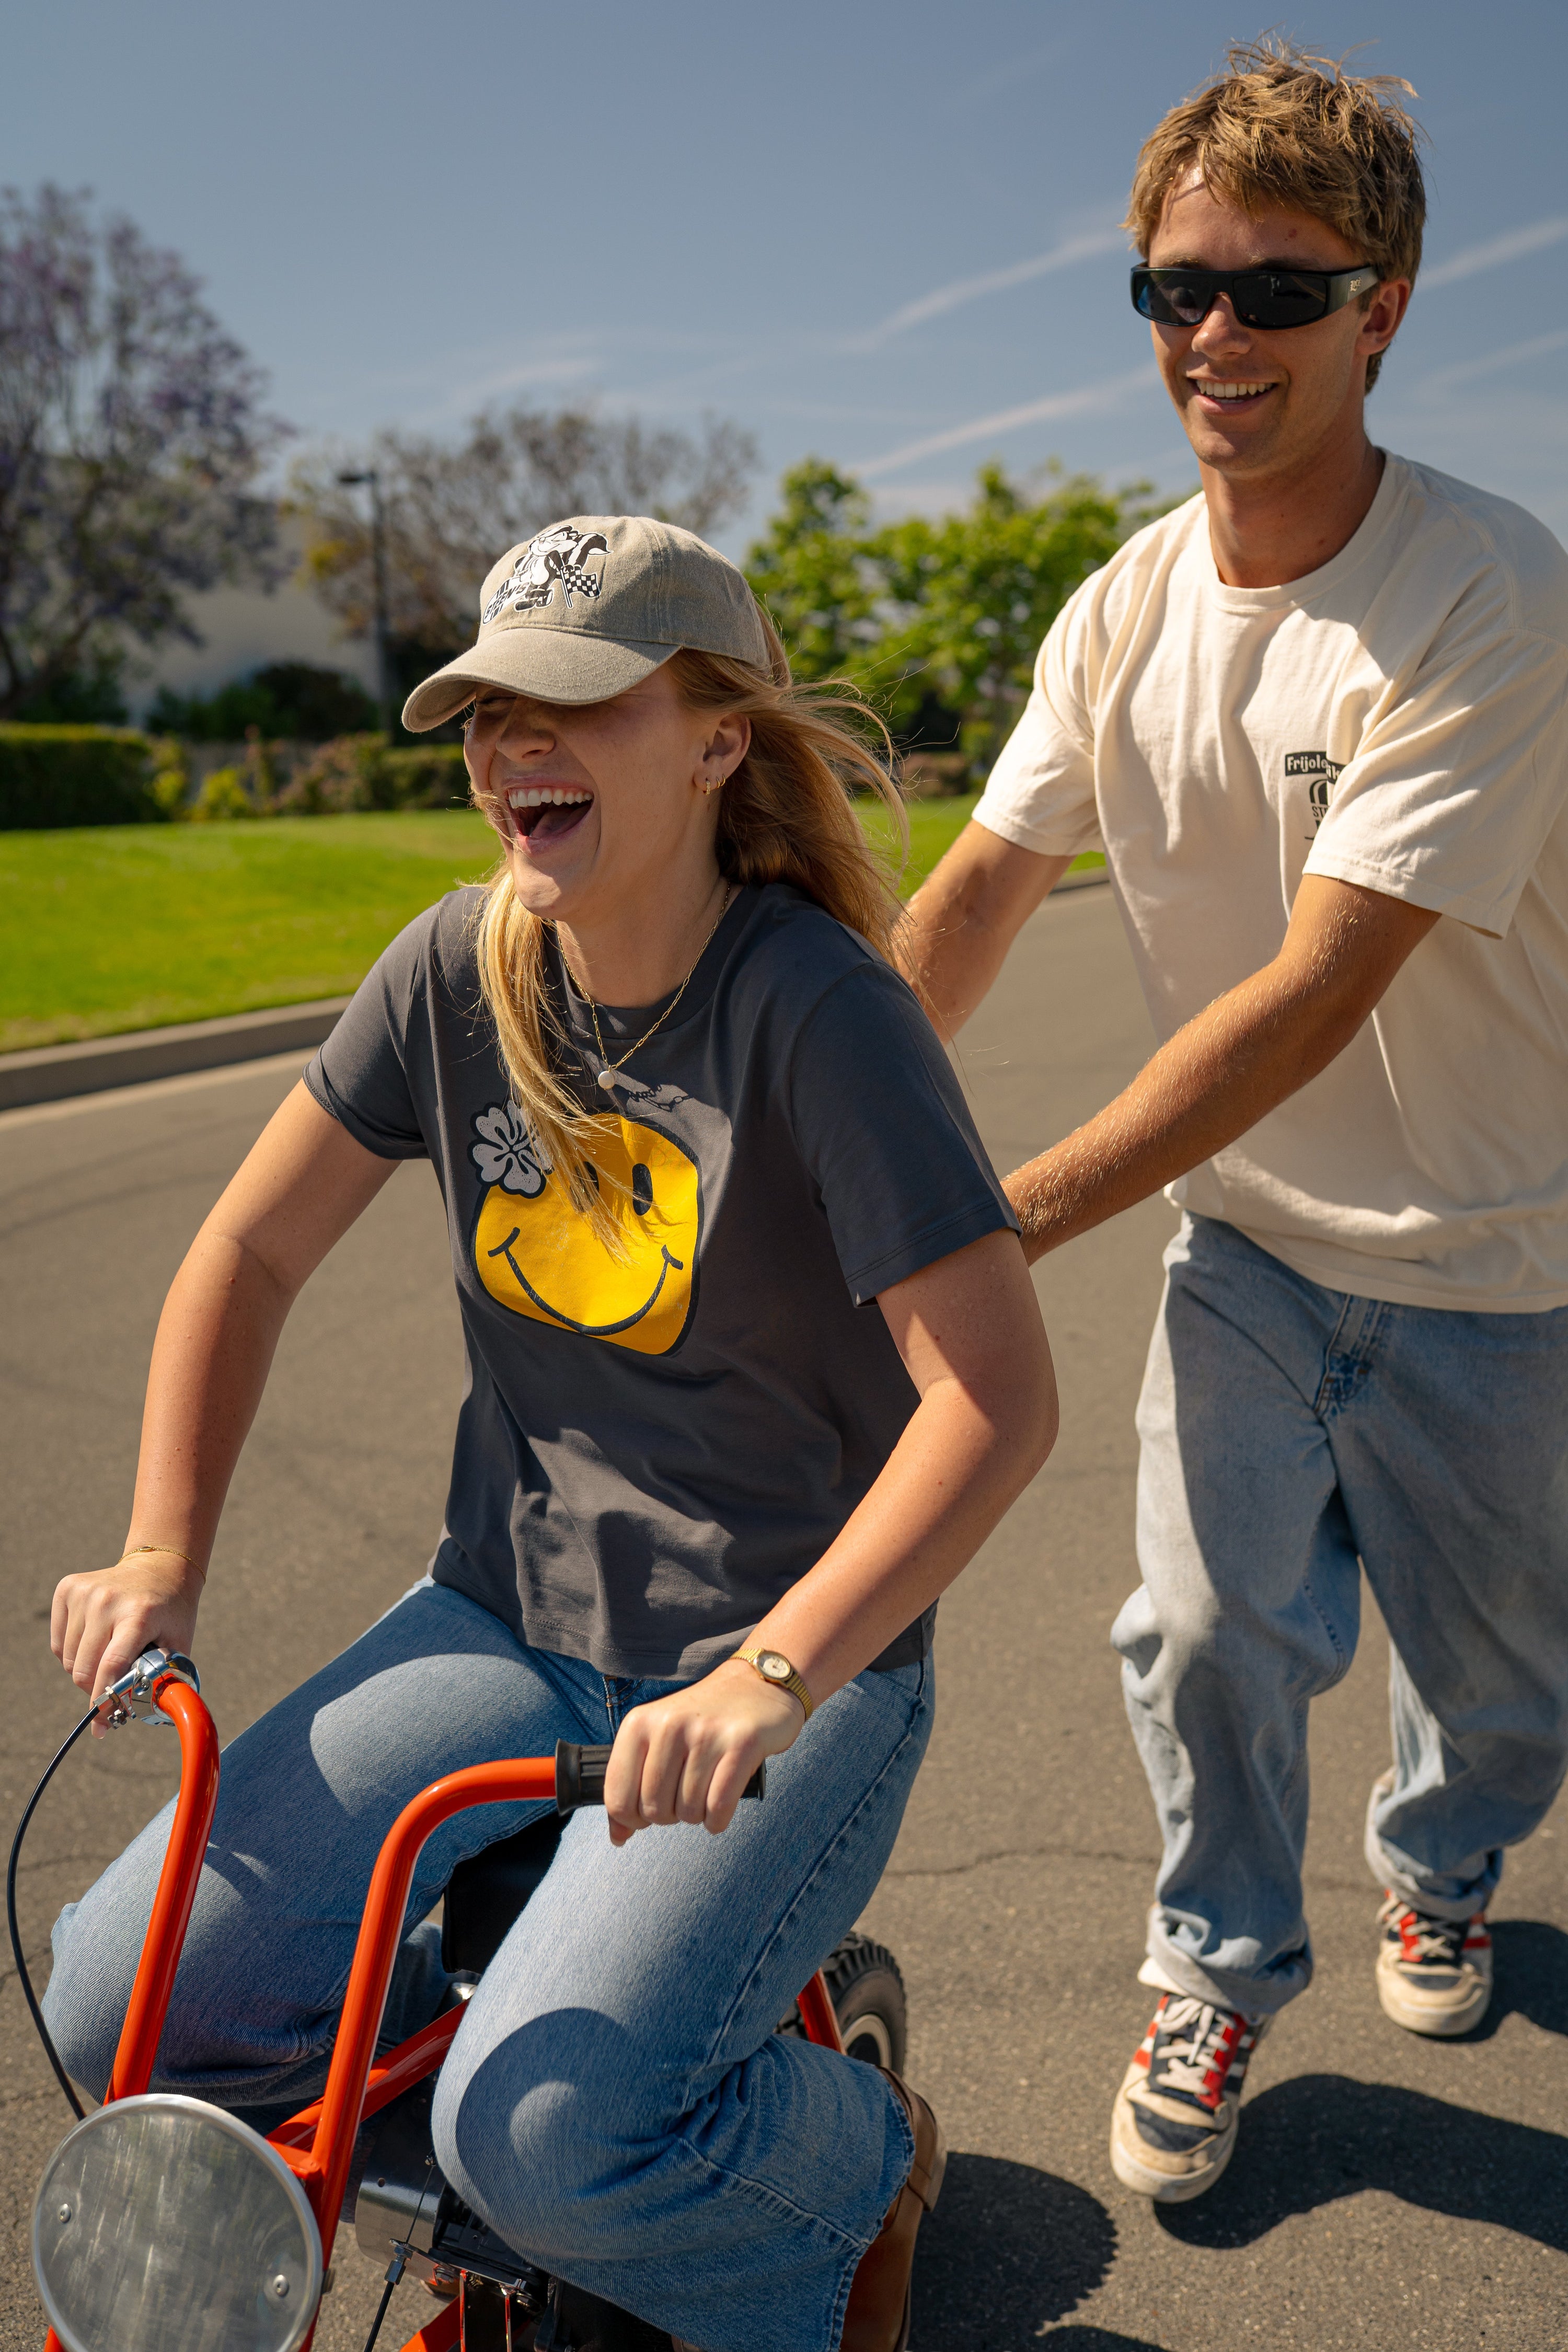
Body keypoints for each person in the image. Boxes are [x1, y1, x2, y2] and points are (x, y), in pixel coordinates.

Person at [44, 514, 1058, 2349]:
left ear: (716, 738)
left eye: (574, 704)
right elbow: (249, 1247)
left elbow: (994, 1401)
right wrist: (158, 1550)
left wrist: (769, 1671)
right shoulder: (454, 966)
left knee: (548, 2135)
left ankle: (857, 2148)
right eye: (488, 709)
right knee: (116, 1998)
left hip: (786, 1663)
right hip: (503, 1625)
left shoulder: (820, 1007)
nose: (517, 749)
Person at [900, 40, 1568, 2205]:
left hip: (1501, 1259)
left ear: (1382, 307)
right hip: (1256, 1255)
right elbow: (983, 887)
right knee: (1201, 1635)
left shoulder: (1488, 592)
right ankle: (1215, 1959)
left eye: (1280, 292)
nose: (1218, 337)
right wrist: (831, 1123)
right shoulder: (1120, 605)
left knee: (1498, 1689)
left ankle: (1446, 1862)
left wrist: (1003, 1214)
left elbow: (1322, 978)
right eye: (1176, 290)